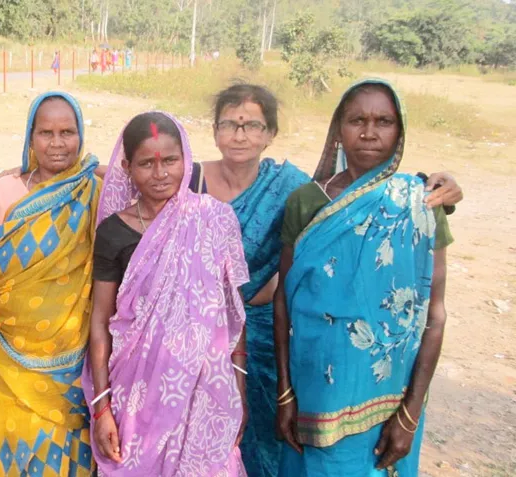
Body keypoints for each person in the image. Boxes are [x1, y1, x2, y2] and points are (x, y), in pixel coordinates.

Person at [186, 83, 464, 477]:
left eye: (383, 122)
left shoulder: (411, 201)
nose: (240, 133)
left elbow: (431, 311)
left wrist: (441, 187)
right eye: (230, 124)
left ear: (270, 134)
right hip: (230, 344)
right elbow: (142, 180)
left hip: (320, 361)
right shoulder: (192, 180)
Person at [274, 79, 452, 476]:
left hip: (390, 398)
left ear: (400, 130)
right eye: (357, 120)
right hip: (314, 388)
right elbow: (284, 300)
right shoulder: (307, 201)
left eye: (383, 121)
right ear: (339, 129)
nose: (369, 132)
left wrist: (410, 413)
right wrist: (285, 391)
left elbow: (434, 316)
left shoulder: (422, 204)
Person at [84, 112, 250, 476]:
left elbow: (231, 313)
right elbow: (100, 322)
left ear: (186, 160)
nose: (160, 174)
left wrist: (238, 388)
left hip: (205, 392)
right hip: (136, 396)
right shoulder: (114, 232)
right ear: (127, 167)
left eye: (171, 161)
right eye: (146, 163)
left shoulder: (213, 219)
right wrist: (101, 407)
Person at [0, 92, 99, 476]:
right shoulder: (5, 191)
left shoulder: (92, 191)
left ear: (81, 136)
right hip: (8, 363)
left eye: (67, 132)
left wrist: (96, 168)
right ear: (30, 137)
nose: (57, 143)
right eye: (46, 133)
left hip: (72, 365)